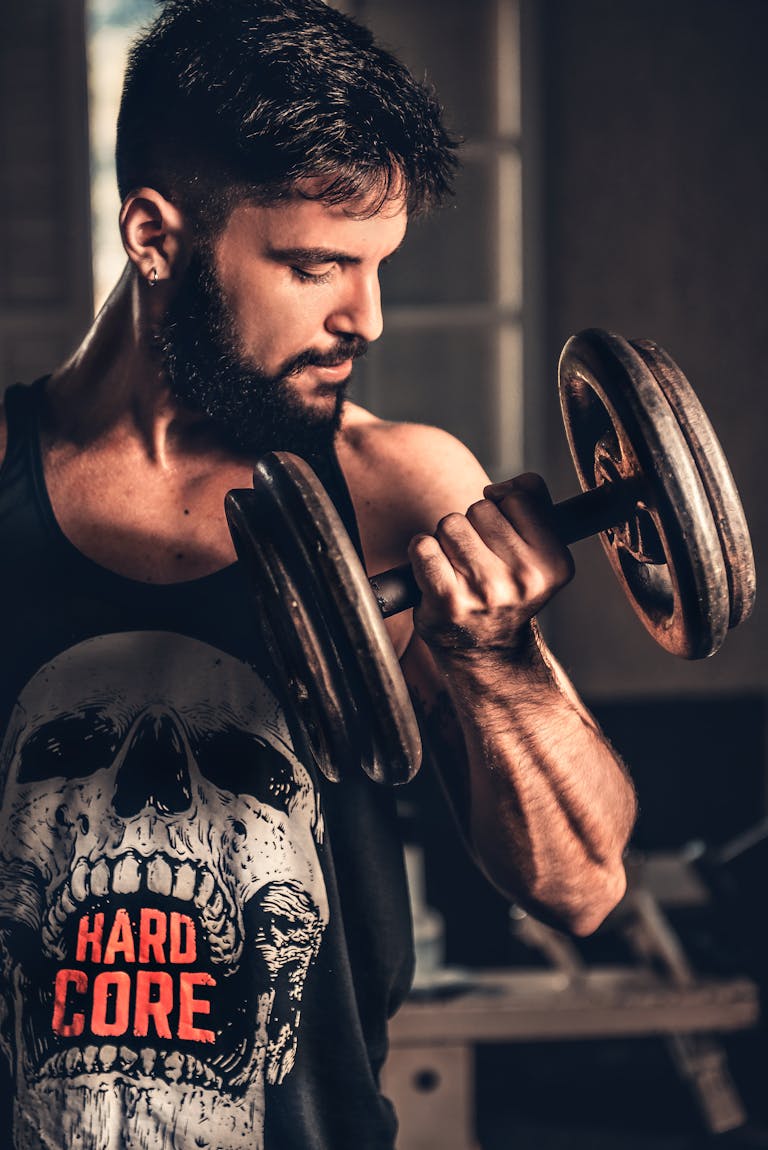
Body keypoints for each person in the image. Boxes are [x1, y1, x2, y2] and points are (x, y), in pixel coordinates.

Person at [0, 1, 636, 1147]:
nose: (368, 317)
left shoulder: (398, 489)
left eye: (379, 267)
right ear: (155, 237)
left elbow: (583, 882)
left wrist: (494, 658)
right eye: (317, 266)